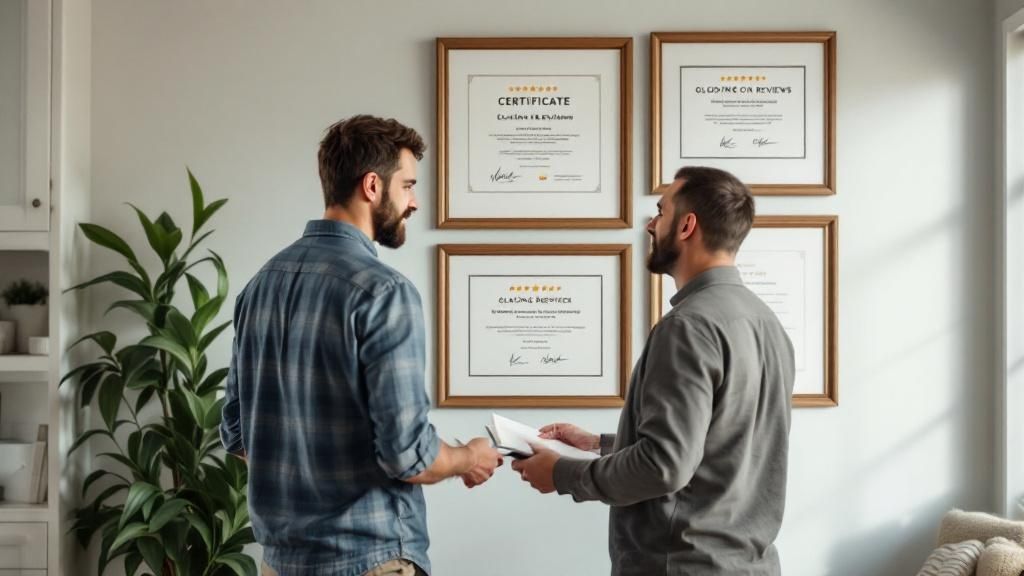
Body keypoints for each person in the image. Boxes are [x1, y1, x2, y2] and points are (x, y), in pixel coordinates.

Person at [221, 115, 502, 576]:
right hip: (367, 561)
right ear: (373, 185)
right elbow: (407, 456)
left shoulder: (259, 285)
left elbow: (235, 431)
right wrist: (468, 457)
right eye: (408, 185)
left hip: (279, 563)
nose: (414, 201)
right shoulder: (384, 291)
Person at [511, 166, 795, 575]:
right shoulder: (766, 322)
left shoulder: (689, 326)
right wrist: (601, 443)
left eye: (660, 211)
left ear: (686, 225)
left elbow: (665, 465)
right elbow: (720, 445)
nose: (650, 224)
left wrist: (562, 473)